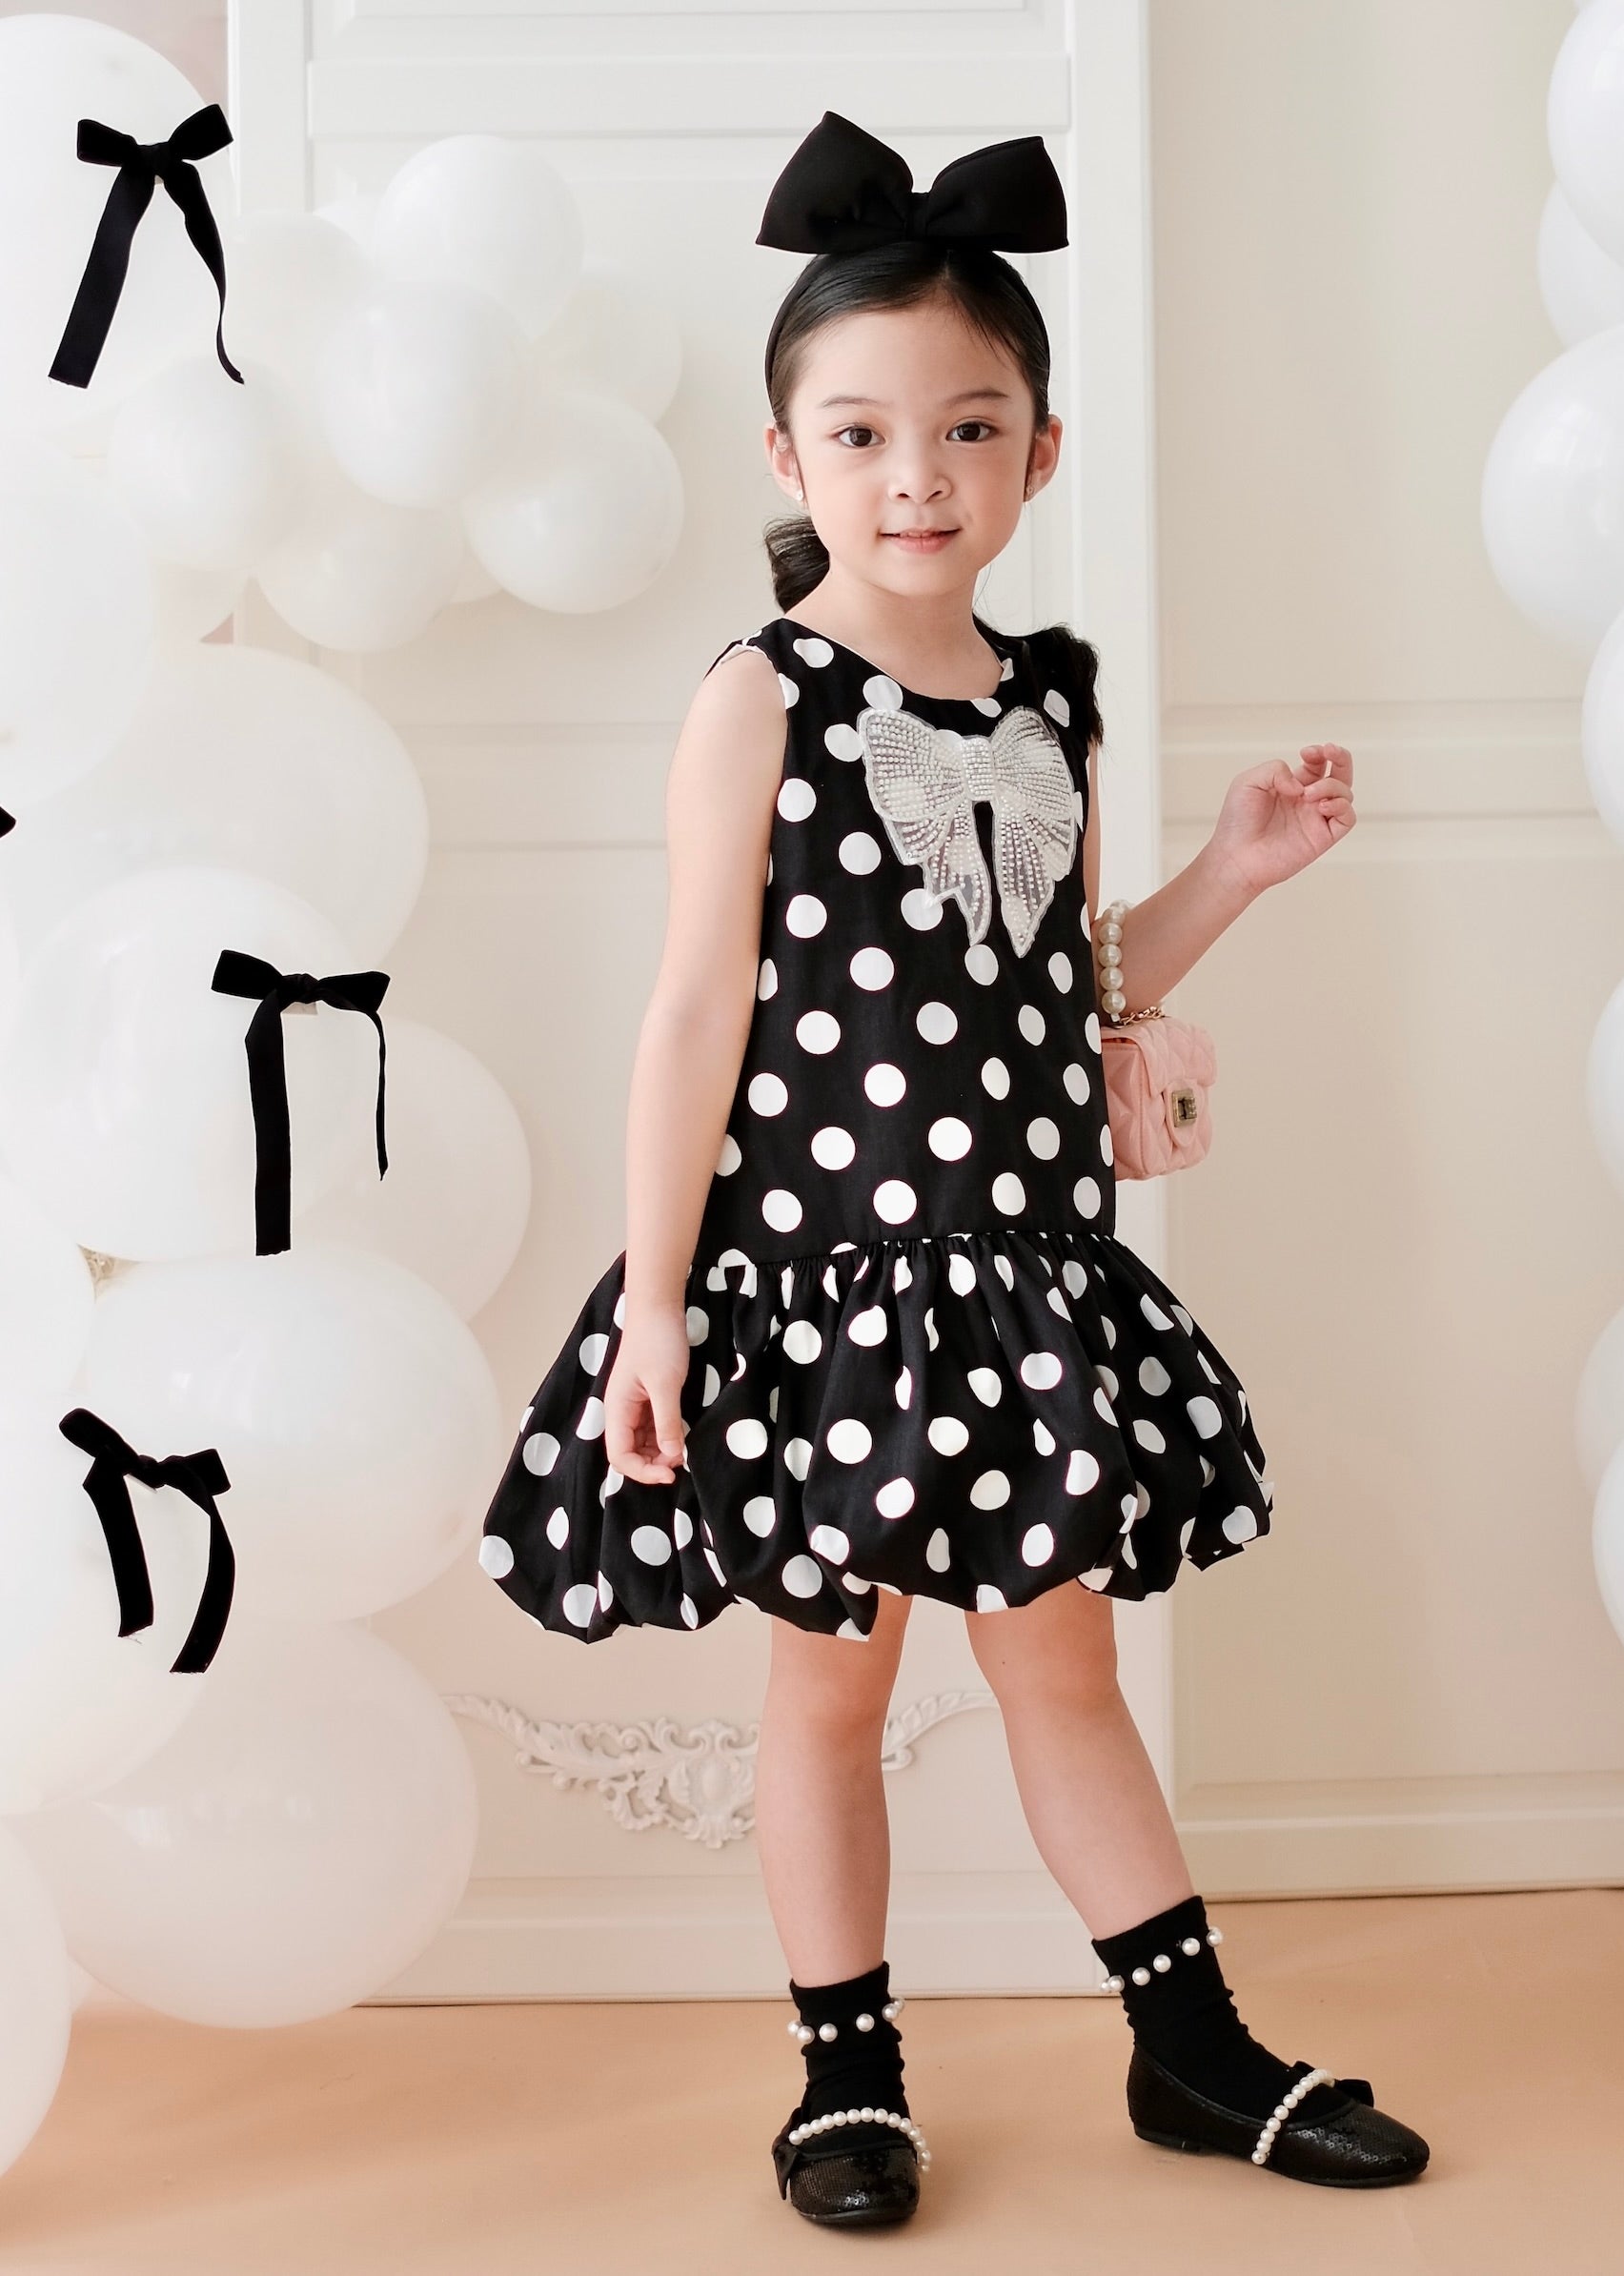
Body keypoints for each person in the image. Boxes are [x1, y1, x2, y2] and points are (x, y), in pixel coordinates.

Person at [477, 110, 1429, 2227]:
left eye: (968, 431)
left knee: (1063, 1666)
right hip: (819, 1287)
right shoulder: (761, 699)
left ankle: (1190, 2054)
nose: (917, 475)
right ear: (787, 456)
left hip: (1013, 1283)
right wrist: (656, 1308)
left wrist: (1230, 872)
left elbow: (1068, 988)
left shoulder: (1049, 704)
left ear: (1038, 456)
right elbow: (693, 1016)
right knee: (830, 1688)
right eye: (863, 434)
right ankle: (846, 2080)